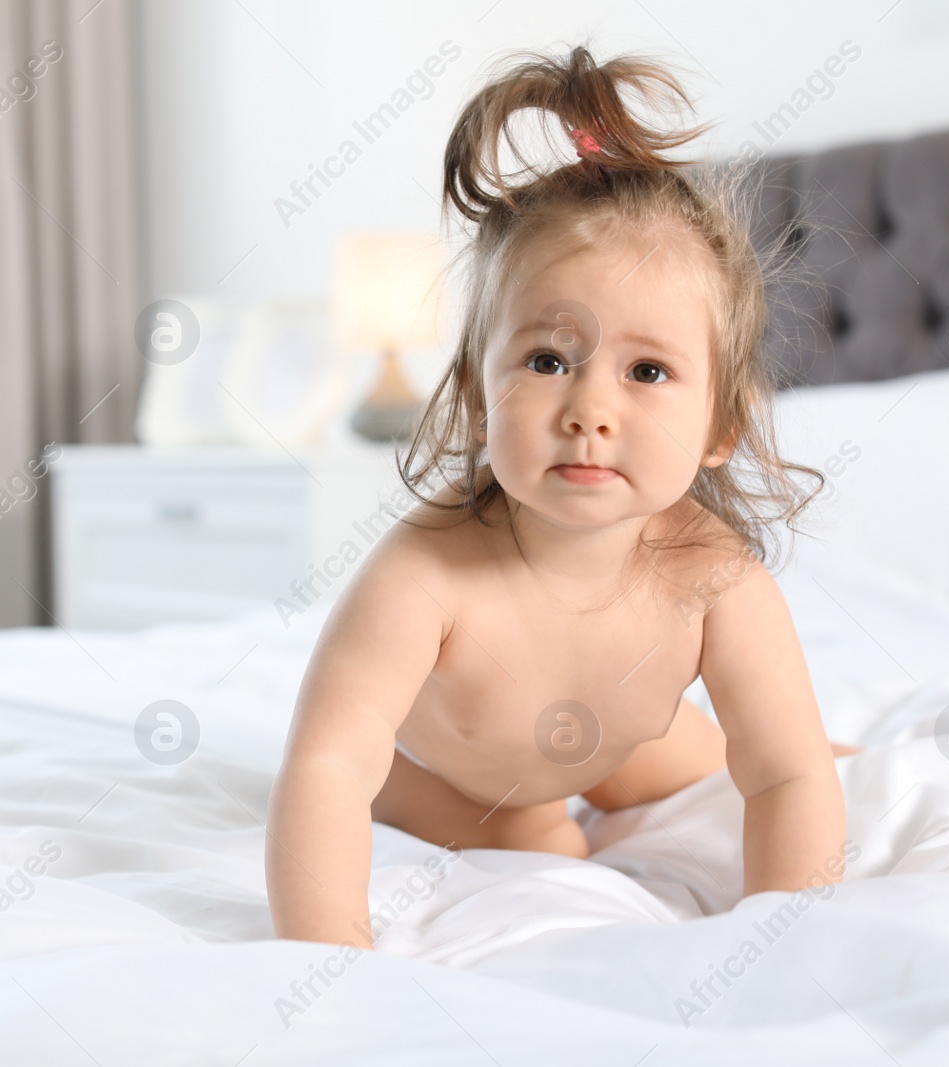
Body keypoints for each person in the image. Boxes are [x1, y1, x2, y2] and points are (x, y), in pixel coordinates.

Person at [266, 45, 847, 948]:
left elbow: (785, 777)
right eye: (547, 360)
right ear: (474, 394)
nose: (590, 411)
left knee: (765, 752)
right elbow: (328, 766)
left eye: (647, 370)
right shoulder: (427, 572)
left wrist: (785, 937)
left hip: (616, 732)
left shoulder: (716, 581)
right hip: (454, 771)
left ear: (720, 424)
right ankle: (500, 811)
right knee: (549, 840)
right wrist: (329, 955)